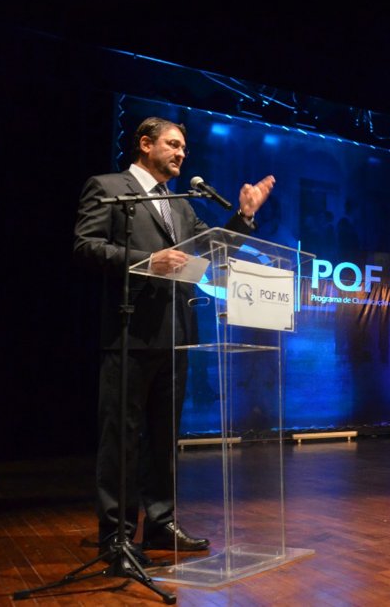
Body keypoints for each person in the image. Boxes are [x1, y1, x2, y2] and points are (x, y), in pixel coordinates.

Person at [73, 117, 275, 559]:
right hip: (129, 333)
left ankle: (161, 524)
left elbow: (211, 248)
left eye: (184, 147)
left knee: (164, 438)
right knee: (121, 439)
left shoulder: (179, 204)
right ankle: (117, 537)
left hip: (177, 334)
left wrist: (243, 217)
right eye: (173, 144)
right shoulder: (109, 187)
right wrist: (148, 260)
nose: (182, 153)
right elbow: (86, 246)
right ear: (145, 144)